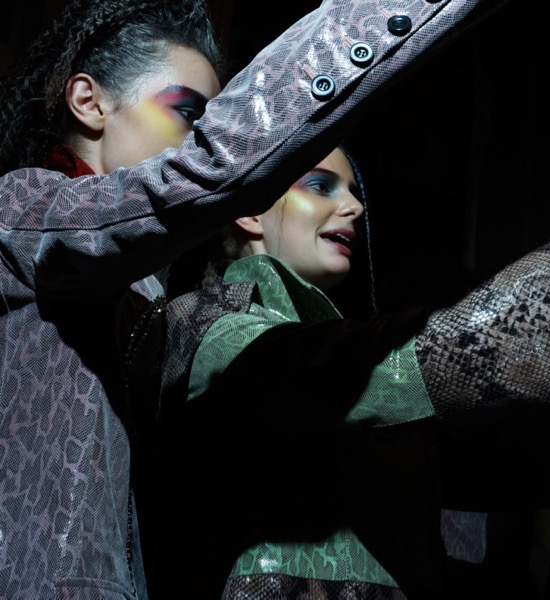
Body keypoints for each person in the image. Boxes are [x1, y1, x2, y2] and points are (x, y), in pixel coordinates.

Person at [141, 78, 550, 598]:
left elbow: (545, 454)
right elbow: (401, 365)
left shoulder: (362, 368)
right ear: (249, 210)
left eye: (354, 191)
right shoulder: (205, 329)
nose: (354, 207)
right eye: (321, 185)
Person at [0, 0, 519, 596]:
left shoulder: (152, 300)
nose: (205, 140)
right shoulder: (21, 212)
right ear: (89, 102)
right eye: (188, 114)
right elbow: (207, 172)